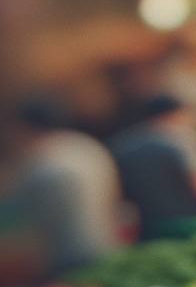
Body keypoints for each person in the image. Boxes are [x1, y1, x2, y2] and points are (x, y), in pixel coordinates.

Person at [14, 95, 123, 273]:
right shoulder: (87, 146)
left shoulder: (38, 161)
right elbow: (115, 196)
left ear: (25, 126)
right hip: (108, 247)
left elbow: (28, 227)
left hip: (67, 260)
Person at [110, 94, 196, 239]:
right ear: (174, 114)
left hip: (149, 228)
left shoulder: (122, 145)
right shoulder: (179, 138)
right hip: (190, 225)